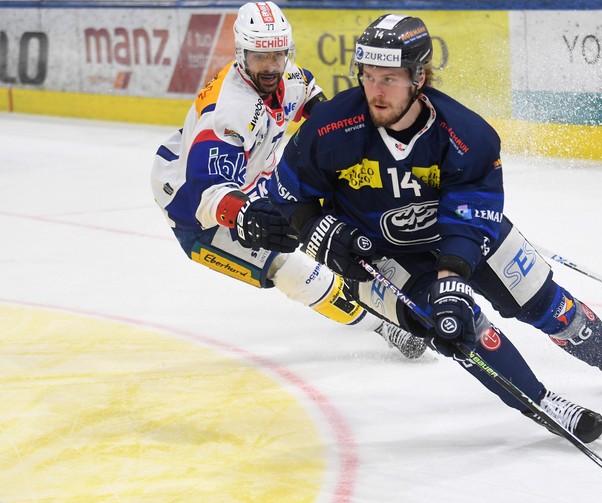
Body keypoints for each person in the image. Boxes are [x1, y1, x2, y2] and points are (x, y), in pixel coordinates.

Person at [271, 14, 602, 442]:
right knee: (455, 326)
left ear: (419, 77)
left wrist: (452, 277)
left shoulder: (466, 134)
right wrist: (320, 233)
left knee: (542, 300)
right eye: (368, 76)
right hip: (380, 254)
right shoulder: (331, 126)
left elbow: (470, 213)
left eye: (389, 78)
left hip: (458, 236)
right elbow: (284, 192)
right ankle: (539, 401)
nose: (375, 90)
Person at [150, 2, 426, 358]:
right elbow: (207, 192)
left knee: (335, 216)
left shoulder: (288, 75)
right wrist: (247, 216)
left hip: (255, 178)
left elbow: (311, 98)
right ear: (240, 54)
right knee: (289, 266)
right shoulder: (228, 111)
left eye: (278, 55)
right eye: (259, 57)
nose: (270, 67)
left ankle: (388, 286)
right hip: (194, 210)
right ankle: (383, 326)